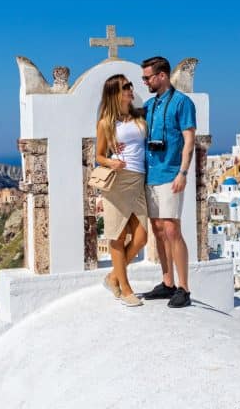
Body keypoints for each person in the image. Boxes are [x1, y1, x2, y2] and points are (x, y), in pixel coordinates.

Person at [139, 56, 196, 308]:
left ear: (162, 76)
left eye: (147, 77)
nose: (145, 82)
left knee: (173, 229)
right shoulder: (150, 105)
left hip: (171, 174)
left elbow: (189, 140)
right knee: (159, 231)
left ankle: (184, 288)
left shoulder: (182, 103)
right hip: (151, 175)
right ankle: (167, 282)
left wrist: (183, 173)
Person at [95, 74, 148, 307]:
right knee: (117, 235)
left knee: (142, 236)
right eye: (125, 86)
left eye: (130, 85)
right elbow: (98, 156)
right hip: (118, 181)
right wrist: (111, 162)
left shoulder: (140, 116)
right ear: (115, 92)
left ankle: (113, 276)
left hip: (139, 180)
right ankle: (126, 289)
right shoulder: (106, 122)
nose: (130, 89)